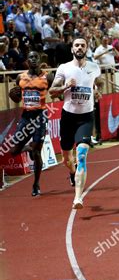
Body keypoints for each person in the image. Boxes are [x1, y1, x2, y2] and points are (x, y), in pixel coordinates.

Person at [49, 36, 102, 209]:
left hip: (86, 117)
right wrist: (65, 86)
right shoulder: (64, 68)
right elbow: (52, 92)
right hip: (68, 117)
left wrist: (97, 91)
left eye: (82, 45)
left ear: (86, 48)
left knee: (81, 155)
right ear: (72, 49)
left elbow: (98, 83)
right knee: (66, 158)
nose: (79, 48)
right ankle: (72, 173)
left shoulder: (94, 67)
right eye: (76, 45)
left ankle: (78, 198)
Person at [8, 51, 53, 196]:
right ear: (27, 61)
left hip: (40, 116)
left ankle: (36, 184)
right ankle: (28, 148)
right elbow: (17, 98)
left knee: (37, 152)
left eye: (36, 57)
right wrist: (13, 96)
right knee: (14, 151)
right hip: (26, 117)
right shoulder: (20, 77)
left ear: (40, 60)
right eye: (31, 57)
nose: (33, 59)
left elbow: (54, 90)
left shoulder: (48, 77)